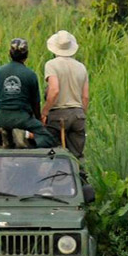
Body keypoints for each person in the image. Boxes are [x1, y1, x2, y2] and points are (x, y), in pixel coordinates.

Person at [41, 30, 89, 159]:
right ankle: (79, 177)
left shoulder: (51, 65)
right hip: (78, 114)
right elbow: (85, 97)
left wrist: (45, 112)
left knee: (53, 155)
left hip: (58, 115)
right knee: (77, 156)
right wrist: (81, 115)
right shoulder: (81, 67)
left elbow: (54, 90)